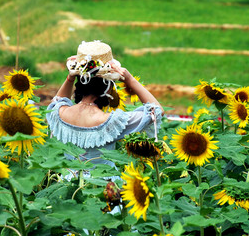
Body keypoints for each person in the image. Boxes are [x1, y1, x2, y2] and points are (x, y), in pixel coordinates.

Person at [46, 41, 163, 174]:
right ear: (107, 87)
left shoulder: (60, 113)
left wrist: (70, 77)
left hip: (70, 187)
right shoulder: (111, 122)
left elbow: (59, 100)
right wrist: (130, 80)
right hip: (103, 188)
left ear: (79, 81)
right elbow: (156, 111)